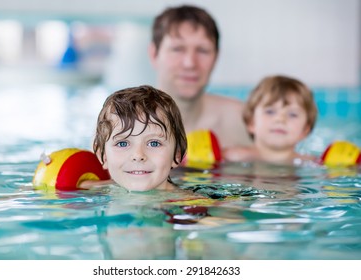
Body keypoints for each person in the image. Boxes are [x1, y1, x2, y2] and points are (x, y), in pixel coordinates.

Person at [148, 5, 252, 155]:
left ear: (216, 57)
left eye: (202, 50)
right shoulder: (123, 124)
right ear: (154, 54)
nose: (190, 63)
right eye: (178, 49)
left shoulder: (244, 122)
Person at [90, 85, 187, 191]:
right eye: (122, 143)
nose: (138, 155)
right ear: (103, 156)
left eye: (154, 143)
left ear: (177, 154)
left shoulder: (189, 204)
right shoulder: (94, 192)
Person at [223, 75, 318, 164]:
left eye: (292, 114)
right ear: (251, 123)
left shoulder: (310, 163)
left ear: (305, 130)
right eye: (270, 112)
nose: (280, 119)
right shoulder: (233, 156)